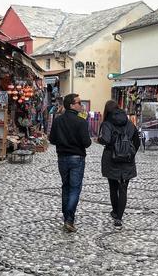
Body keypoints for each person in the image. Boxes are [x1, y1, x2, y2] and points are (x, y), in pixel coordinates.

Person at [48, 93, 91, 232]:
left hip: (62, 158)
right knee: (74, 188)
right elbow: (87, 143)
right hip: (77, 158)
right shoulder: (81, 122)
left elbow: (52, 139)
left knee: (66, 187)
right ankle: (69, 219)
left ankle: (67, 217)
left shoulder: (58, 120)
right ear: (72, 105)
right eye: (79, 103)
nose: (81, 105)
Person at [98, 100, 140, 228]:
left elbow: (105, 139)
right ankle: (119, 218)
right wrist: (131, 152)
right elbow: (137, 140)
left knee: (113, 187)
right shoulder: (128, 123)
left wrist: (99, 140)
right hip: (127, 159)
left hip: (111, 158)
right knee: (123, 189)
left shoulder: (107, 123)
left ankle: (115, 212)